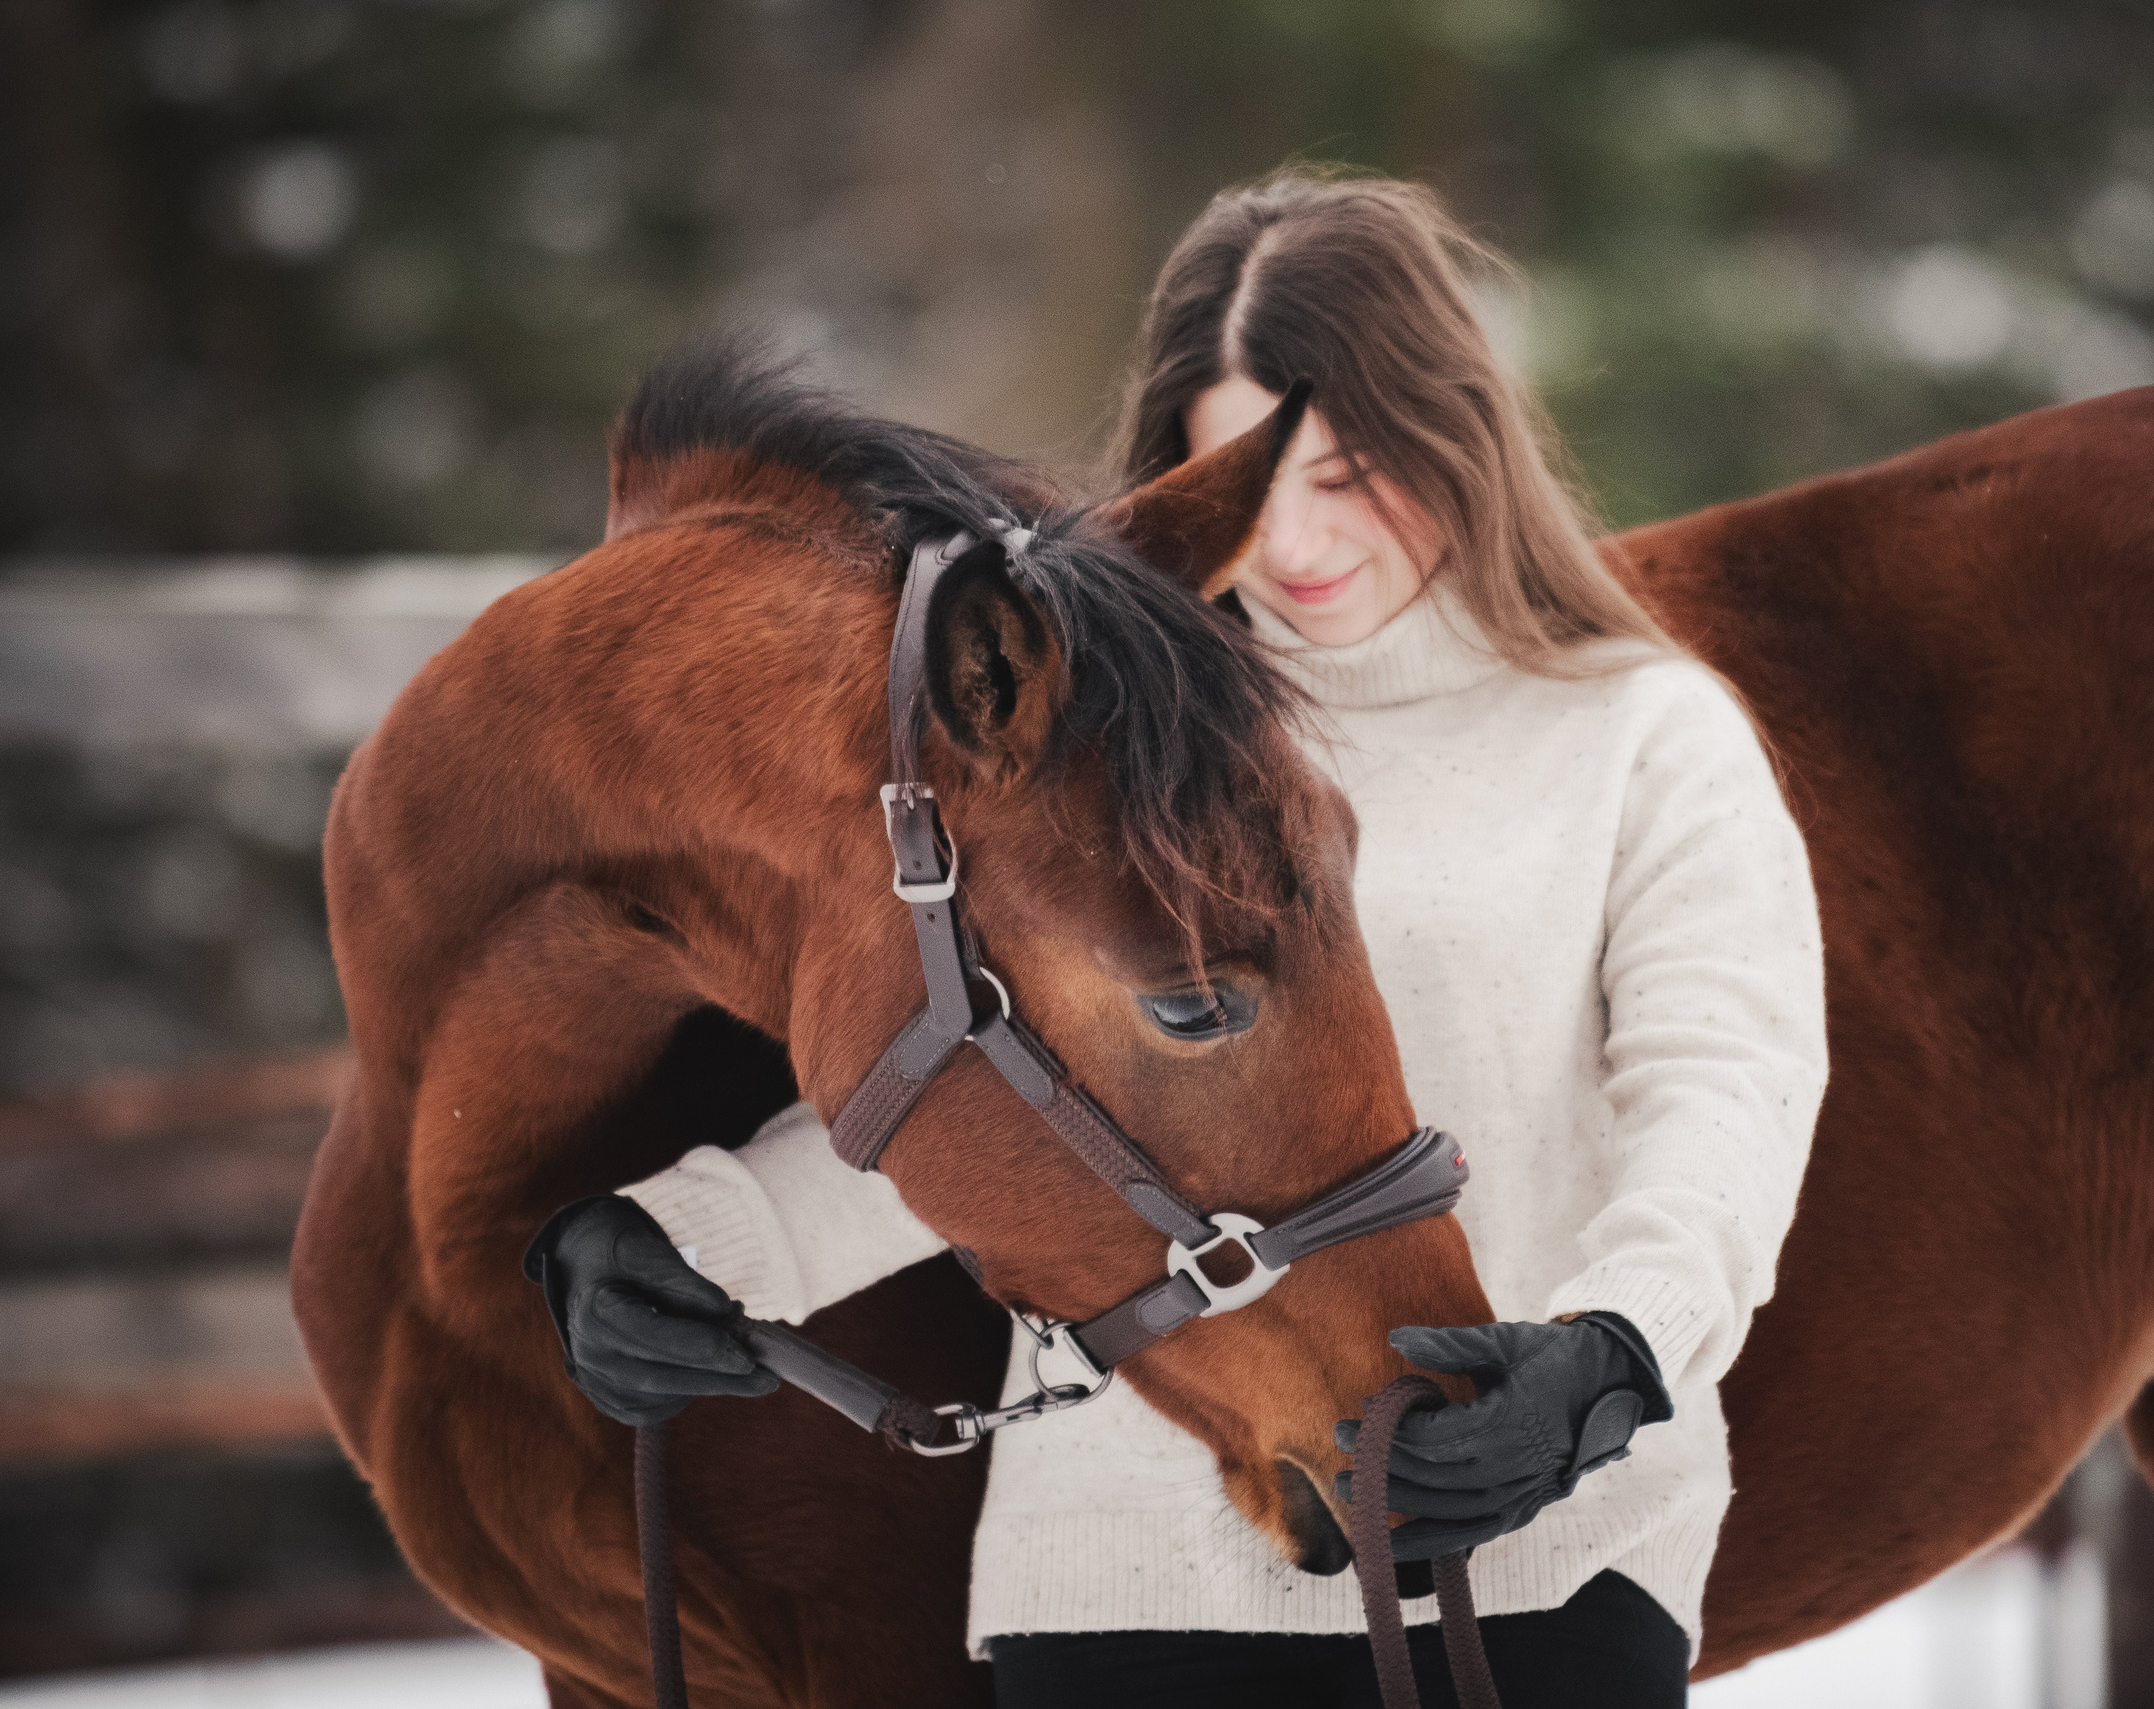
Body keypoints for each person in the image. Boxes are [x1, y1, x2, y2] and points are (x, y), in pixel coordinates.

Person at [525, 168, 1828, 1708]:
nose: (1298, 542)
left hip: (1527, 1570)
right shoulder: (1110, 748)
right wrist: (699, 1240)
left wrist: (1614, 1355)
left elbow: (1727, 1095)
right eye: (1251, 483)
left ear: (1458, 437)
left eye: (1350, 473)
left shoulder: (1639, 733)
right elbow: (1007, 1090)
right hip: (1115, 1588)